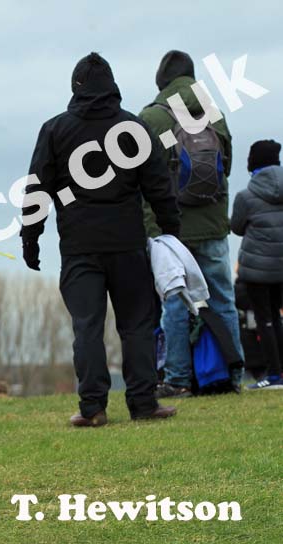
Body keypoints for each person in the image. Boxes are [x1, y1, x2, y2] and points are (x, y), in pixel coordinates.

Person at [20, 52, 180, 426]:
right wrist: (172, 231)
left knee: (87, 327)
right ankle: (143, 403)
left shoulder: (55, 130)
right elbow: (159, 185)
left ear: (75, 88)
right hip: (127, 243)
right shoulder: (134, 129)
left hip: (79, 247)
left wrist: (31, 238)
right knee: (137, 324)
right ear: (112, 86)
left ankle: (93, 408)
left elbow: (36, 189)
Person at [140, 50, 244, 398]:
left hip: (171, 230)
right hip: (214, 224)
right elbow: (225, 166)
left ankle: (178, 379)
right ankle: (233, 373)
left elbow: (142, 177)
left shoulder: (153, 118)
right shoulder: (215, 114)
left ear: (162, 82)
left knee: (174, 301)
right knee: (222, 299)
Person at [231, 139, 283, 390]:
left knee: (265, 320)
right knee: (278, 318)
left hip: (257, 269)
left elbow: (237, 227)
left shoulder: (246, 196)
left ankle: (274, 375)